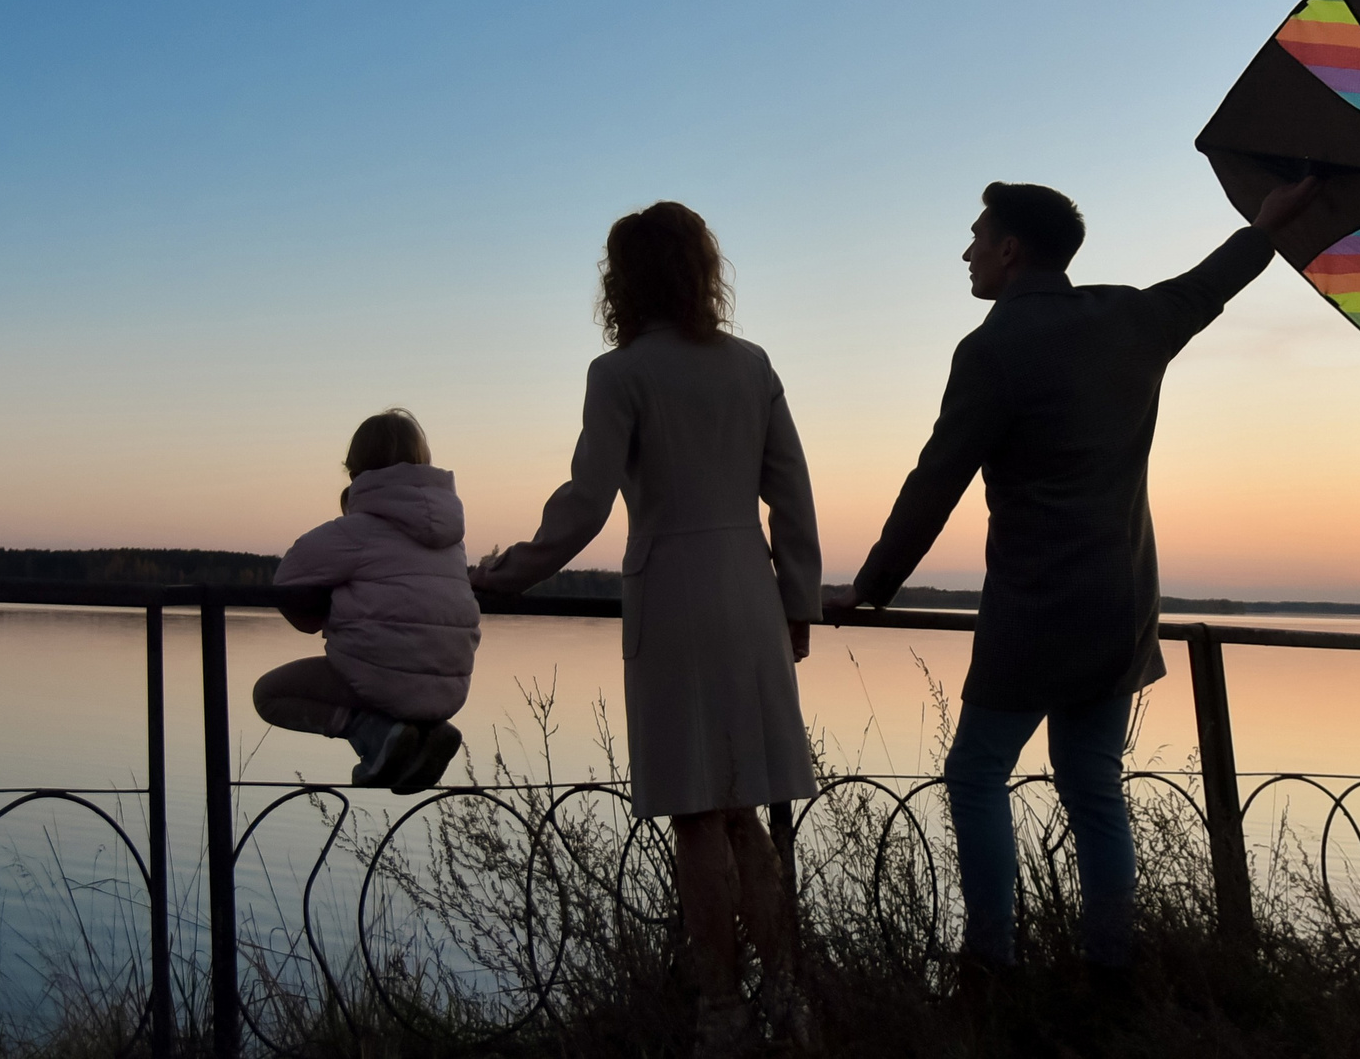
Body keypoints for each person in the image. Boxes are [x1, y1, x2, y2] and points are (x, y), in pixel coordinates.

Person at [824, 176, 1316, 995]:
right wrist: (1267, 224)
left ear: (1011, 251)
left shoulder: (991, 348)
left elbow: (935, 480)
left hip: (1035, 608)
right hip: (1122, 608)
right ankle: (1111, 970)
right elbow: (1209, 284)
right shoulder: (1128, 317)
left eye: (978, 237)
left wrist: (870, 588)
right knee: (1092, 783)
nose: (968, 251)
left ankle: (990, 963)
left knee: (976, 772)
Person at [474, 201, 821, 1056]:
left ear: (621, 281)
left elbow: (586, 503)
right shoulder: (753, 364)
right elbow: (795, 496)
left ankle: (721, 1010)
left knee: (698, 816)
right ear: (703, 271)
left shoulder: (619, 372)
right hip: (750, 593)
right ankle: (786, 998)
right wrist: (798, 604)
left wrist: (504, 572)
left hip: (671, 598)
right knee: (746, 808)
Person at [257, 408, 477, 794]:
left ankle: (375, 737)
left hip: (383, 679)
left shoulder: (354, 532)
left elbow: (287, 583)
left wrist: (327, 612)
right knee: (388, 671)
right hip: (449, 688)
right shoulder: (452, 540)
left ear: (356, 473)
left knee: (270, 695)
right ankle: (427, 732)